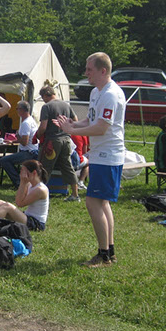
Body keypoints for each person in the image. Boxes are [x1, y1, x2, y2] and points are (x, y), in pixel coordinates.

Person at [55, 52, 125, 267]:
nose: (86, 73)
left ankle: (103, 255)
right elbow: (91, 119)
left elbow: (101, 128)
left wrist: (72, 130)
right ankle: (109, 251)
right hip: (100, 155)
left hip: (108, 156)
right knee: (102, 203)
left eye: (89, 69)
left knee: (93, 202)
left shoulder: (111, 94)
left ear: (103, 71)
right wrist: (73, 124)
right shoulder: (97, 92)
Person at [0, 159, 49, 231]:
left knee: (7, 207)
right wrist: (24, 184)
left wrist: (23, 183)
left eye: (23, 171)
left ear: (34, 173)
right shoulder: (29, 184)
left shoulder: (40, 189)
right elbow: (19, 199)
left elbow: (19, 203)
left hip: (36, 223)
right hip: (27, 216)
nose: (21, 174)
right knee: (0, 202)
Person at [36, 85, 79, 201]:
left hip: (52, 141)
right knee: (67, 166)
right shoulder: (66, 105)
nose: (43, 100)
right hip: (66, 140)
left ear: (45, 95)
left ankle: (40, 193)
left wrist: (38, 135)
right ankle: (75, 194)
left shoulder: (46, 107)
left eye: (43, 97)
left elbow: (43, 127)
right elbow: (75, 121)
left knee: (45, 167)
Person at [0, 100, 39, 187]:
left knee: (4, 160)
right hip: (33, 150)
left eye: (17, 109)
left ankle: (18, 182)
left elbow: (24, 142)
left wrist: (17, 136)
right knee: (6, 160)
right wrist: (13, 141)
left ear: (22, 110)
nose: (16, 111)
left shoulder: (26, 123)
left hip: (28, 153)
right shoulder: (31, 120)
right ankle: (22, 180)